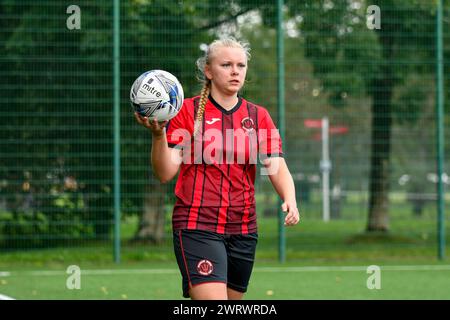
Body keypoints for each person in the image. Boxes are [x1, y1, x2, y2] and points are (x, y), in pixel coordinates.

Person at [134, 37, 300, 300]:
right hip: (197, 224)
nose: (235, 71)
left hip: (244, 228)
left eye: (241, 65)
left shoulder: (259, 116)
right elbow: (164, 173)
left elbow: (276, 166)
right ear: (208, 71)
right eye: (226, 65)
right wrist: (158, 137)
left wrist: (290, 198)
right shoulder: (186, 111)